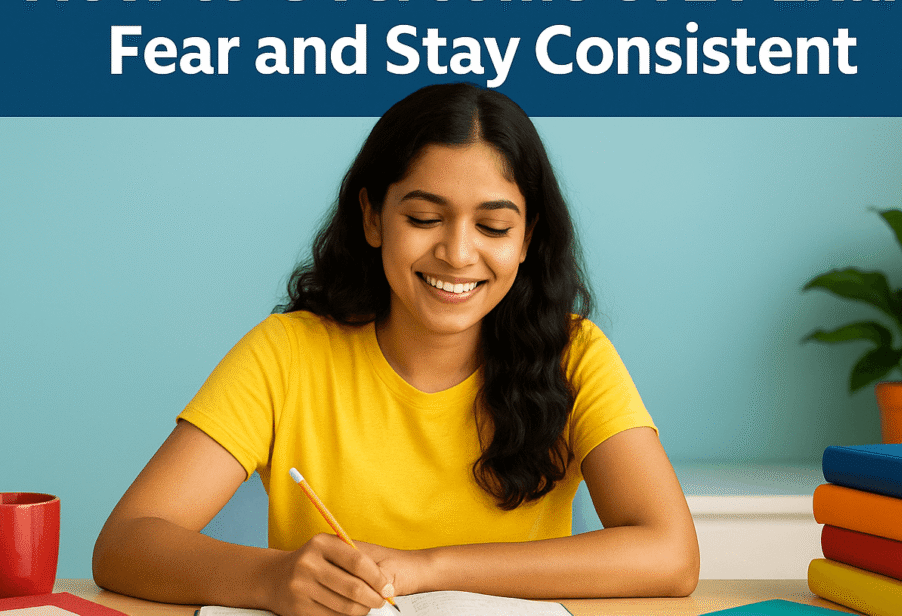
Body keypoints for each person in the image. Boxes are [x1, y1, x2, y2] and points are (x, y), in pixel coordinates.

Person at [92, 83, 699, 615]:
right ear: (373, 217)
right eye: (424, 217)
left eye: (493, 227)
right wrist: (270, 578)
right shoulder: (285, 354)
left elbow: (670, 556)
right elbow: (125, 543)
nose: (458, 254)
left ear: (526, 238)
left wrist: (426, 568)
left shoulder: (576, 355)